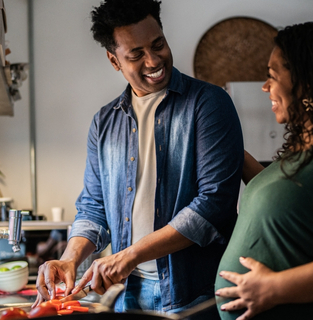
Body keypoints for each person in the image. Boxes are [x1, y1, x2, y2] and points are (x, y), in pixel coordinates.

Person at [33, 0, 244, 315]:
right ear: (114, 60)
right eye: (136, 54)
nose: (154, 59)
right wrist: (70, 258)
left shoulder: (209, 104)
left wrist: (129, 255)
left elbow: (214, 204)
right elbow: (93, 206)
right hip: (125, 294)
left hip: (195, 292)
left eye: (158, 44)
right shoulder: (104, 122)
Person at [215, 22, 313, 320]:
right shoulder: (300, 152)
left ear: (306, 83)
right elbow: (287, 207)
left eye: (272, 76)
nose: (265, 87)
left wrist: (274, 288)